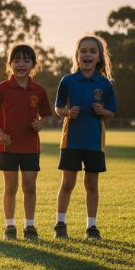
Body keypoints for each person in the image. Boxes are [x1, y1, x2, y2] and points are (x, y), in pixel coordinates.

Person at [54, 34, 116, 240]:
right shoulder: (68, 81)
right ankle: (60, 224)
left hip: (94, 142)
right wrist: (67, 113)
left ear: (99, 57)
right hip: (71, 141)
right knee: (68, 183)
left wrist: (102, 111)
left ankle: (91, 227)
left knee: (91, 184)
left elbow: (112, 112)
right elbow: (58, 107)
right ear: (77, 56)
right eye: (83, 51)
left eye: (92, 51)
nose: (87, 55)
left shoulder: (105, 84)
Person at [0, 44, 52, 240]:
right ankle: (9, 226)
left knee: (30, 186)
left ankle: (30, 226)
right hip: (7, 146)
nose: (21, 64)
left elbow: (45, 115)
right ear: (9, 64)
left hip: (30, 147)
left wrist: (41, 123)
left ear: (33, 65)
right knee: (10, 187)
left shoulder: (39, 90)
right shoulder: (1, 89)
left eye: (26, 61)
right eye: (16, 60)